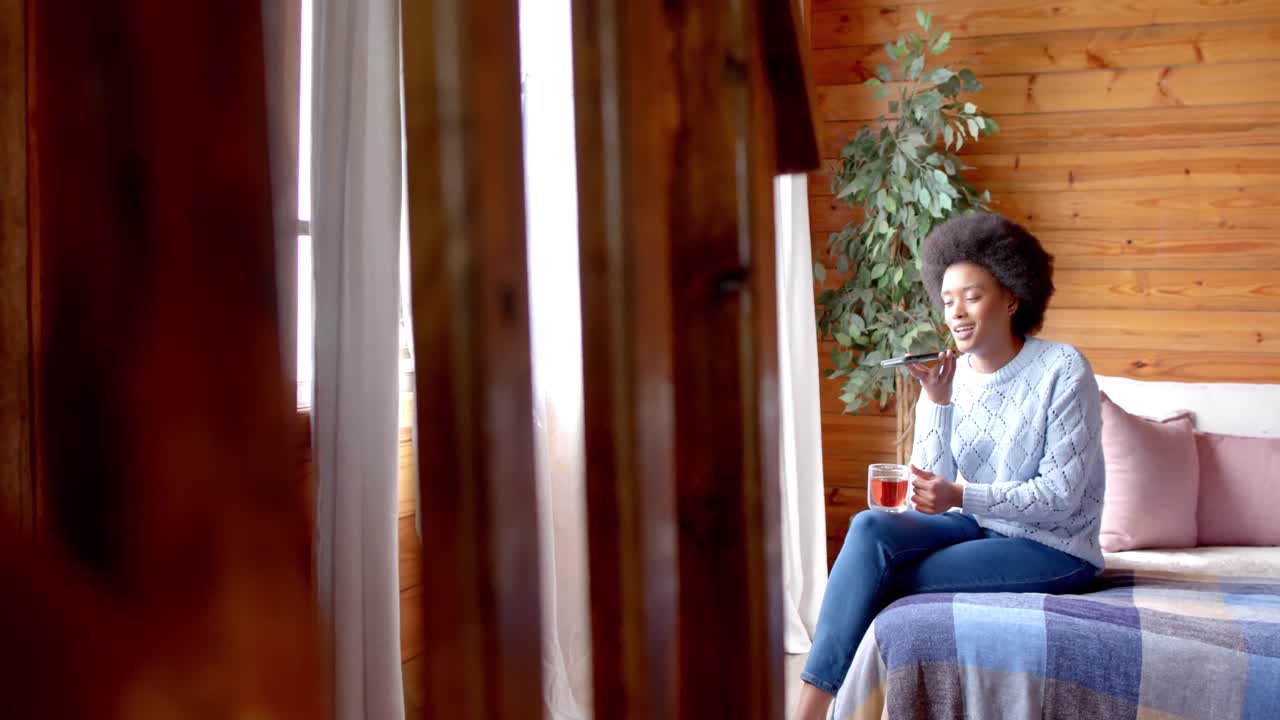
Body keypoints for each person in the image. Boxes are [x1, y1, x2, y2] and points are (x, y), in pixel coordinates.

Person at [793, 212, 1105, 720]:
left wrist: (961, 496)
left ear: (1012, 297)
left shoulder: (1063, 369)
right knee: (869, 526)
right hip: (976, 528)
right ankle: (808, 707)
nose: (956, 312)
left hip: (1053, 546)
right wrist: (936, 402)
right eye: (948, 299)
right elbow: (925, 489)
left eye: (973, 296)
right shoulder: (948, 378)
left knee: (881, 577)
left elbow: (1061, 496)